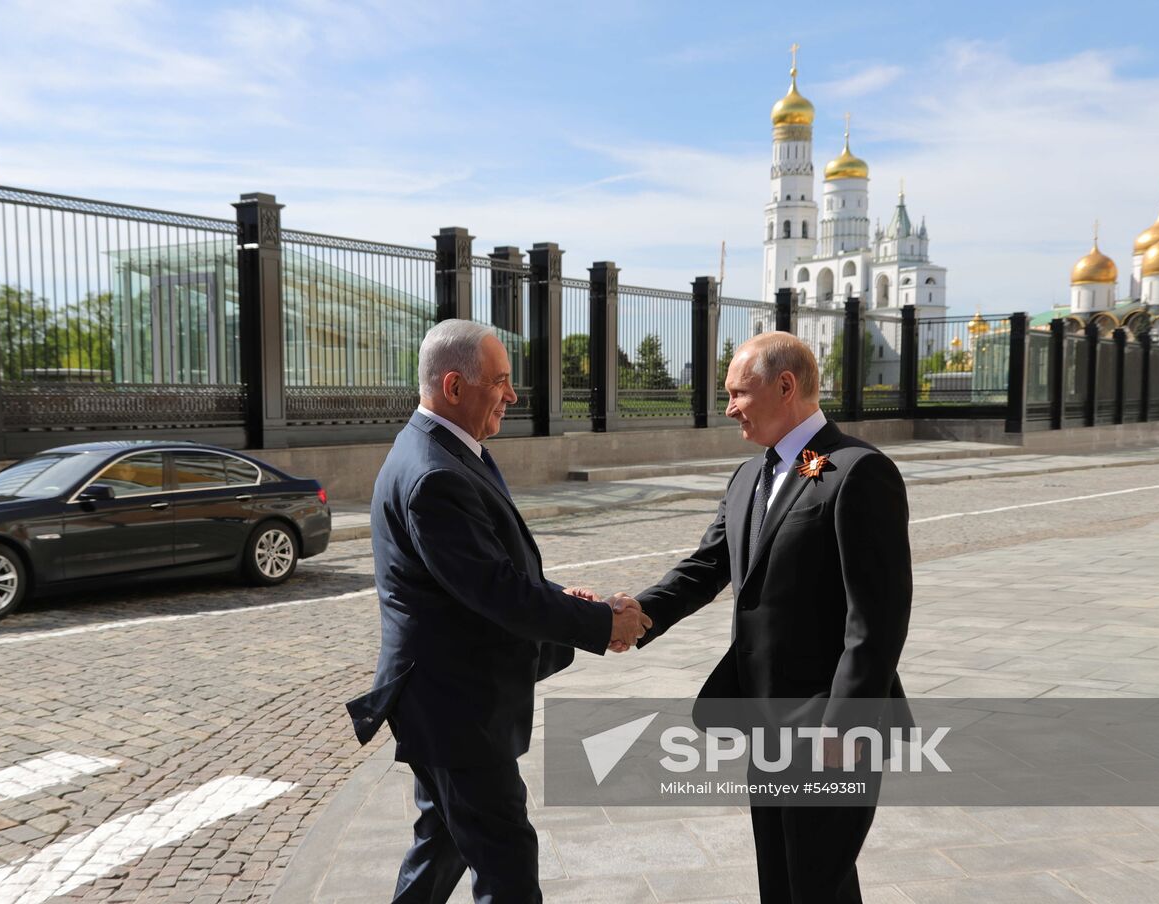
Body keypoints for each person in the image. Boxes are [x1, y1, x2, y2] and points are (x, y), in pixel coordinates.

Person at [347, 319, 651, 903]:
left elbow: (488, 574)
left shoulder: (445, 450)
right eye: (501, 382)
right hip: (456, 709)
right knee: (507, 864)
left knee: (442, 846)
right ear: (455, 386)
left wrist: (565, 600)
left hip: (448, 703)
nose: (512, 396)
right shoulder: (435, 473)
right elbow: (494, 592)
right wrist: (598, 624)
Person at [610, 331, 912, 904]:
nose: (729, 409)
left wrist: (844, 726)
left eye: (738, 393)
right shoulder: (751, 476)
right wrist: (635, 613)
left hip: (827, 727)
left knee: (817, 881)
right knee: (782, 878)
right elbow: (706, 567)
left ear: (785, 386)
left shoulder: (857, 471)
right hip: (766, 722)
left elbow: (877, 619)